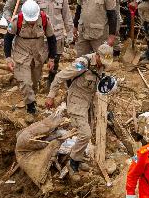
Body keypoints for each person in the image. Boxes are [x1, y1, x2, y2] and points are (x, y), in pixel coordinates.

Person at [45, 44, 114, 176]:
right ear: (97, 55)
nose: (103, 65)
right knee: (86, 133)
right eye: (102, 61)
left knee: (89, 130)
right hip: (76, 101)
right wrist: (51, 96)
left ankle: (79, 157)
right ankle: (73, 163)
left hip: (89, 101)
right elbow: (60, 76)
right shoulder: (82, 63)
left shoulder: (101, 65)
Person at [3, 0, 57, 116]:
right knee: (25, 82)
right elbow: (7, 39)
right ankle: (30, 107)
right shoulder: (17, 21)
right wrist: (8, 58)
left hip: (38, 55)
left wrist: (52, 58)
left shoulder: (44, 20)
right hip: (21, 55)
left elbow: (52, 39)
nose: (31, 22)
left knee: (34, 82)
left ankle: (32, 99)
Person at [34, 0, 73, 86]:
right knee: (39, 59)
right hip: (42, 36)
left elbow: (67, 16)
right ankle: (36, 80)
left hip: (57, 35)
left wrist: (70, 33)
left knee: (55, 59)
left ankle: (51, 81)